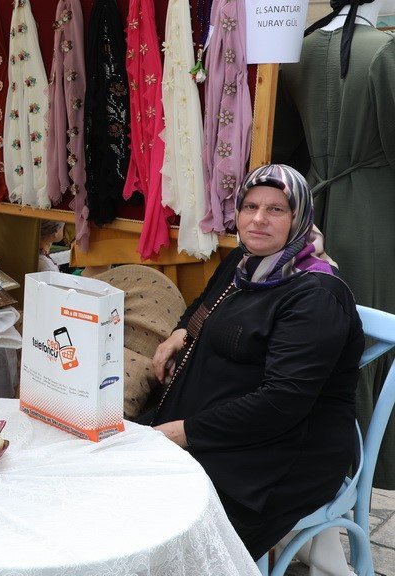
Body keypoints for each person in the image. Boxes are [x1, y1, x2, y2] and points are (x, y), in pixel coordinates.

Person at [148, 164, 364, 559]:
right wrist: (183, 330)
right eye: (249, 206)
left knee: (168, 542)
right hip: (224, 429)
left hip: (281, 457)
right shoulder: (245, 262)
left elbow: (282, 403)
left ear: (299, 217)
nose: (258, 219)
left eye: (276, 209)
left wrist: (183, 432)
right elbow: (205, 305)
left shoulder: (315, 295)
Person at [273, 0, 395, 489]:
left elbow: (283, 150)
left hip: (312, 215)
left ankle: (326, 477)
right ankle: (366, 471)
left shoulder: (297, 51)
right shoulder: (385, 53)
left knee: (327, 346)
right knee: (373, 343)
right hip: (375, 218)